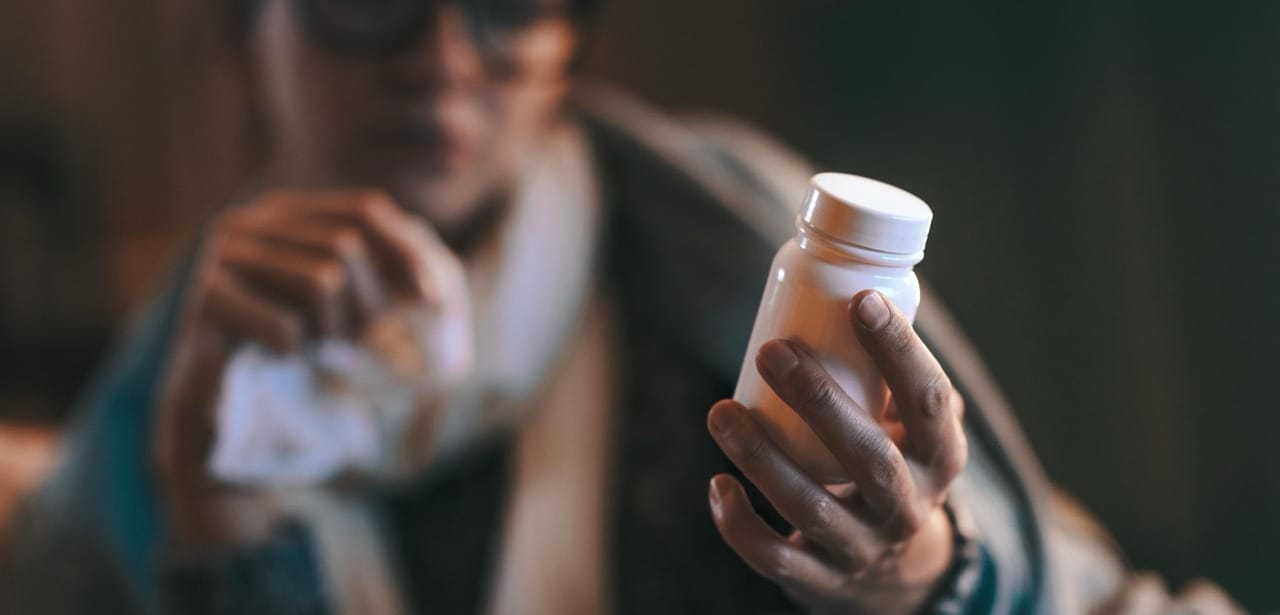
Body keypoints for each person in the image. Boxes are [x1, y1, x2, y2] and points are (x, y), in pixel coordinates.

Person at [0, 0, 1242, 613]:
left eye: (502, 7)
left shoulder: (718, 241)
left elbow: (1058, 585)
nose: (438, 58)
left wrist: (918, 570)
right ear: (240, 33)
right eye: (364, 0)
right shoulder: (187, 367)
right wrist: (209, 513)